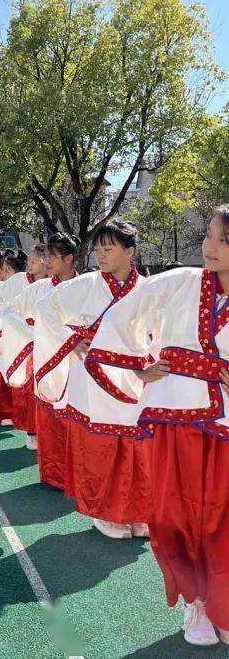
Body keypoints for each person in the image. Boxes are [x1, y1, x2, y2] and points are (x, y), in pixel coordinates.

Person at [86, 206, 229, 647]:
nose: (208, 246)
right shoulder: (180, 282)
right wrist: (139, 367)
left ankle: (223, 601)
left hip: (224, 423)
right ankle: (197, 601)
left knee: (222, 518)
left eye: (221, 239)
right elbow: (121, 318)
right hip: (173, 418)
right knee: (175, 512)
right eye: (208, 235)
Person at [34, 221, 150, 540]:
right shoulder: (86, 285)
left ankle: (139, 514)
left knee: (137, 449)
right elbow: (46, 309)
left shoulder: (147, 289)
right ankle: (108, 514)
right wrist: (71, 339)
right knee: (100, 447)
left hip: (134, 379)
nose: (100, 255)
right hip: (95, 381)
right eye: (97, 248)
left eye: (108, 248)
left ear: (130, 252)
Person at [1, 233, 78, 483]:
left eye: (52, 255)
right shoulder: (39, 289)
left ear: (69, 258)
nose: (46, 260)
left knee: (79, 417)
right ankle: (55, 474)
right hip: (48, 360)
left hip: (80, 362)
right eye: (45, 255)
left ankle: (80, 474)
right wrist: (34, 335)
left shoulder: (87, 286)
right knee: (51, 415)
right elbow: (10, 312)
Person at [0, 245, 46, 447]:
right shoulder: (20, 281)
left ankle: (48, 434)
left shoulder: (58, 284)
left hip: (52, 343)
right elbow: (3, 306)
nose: (29, 265)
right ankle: (32, 432)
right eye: (29, 261)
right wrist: (20, 327)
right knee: (28, 388)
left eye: (34, 261)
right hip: (24, 340)